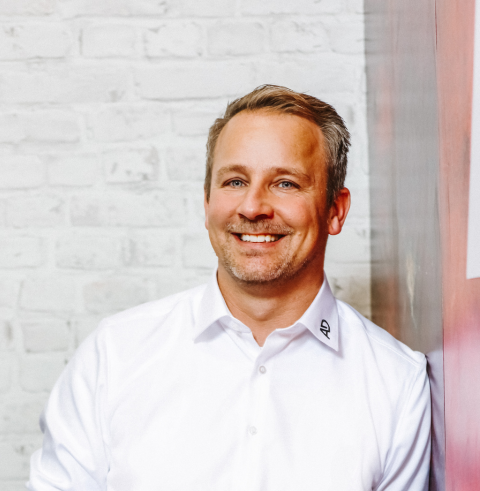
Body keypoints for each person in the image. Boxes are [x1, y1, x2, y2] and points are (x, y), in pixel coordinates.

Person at [28, 85, 431, 490]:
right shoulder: (115, 355)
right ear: (207, 204)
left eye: (286, 183)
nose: (252, 207)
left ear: (335, 210)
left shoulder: (396, 383)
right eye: (235, 181)